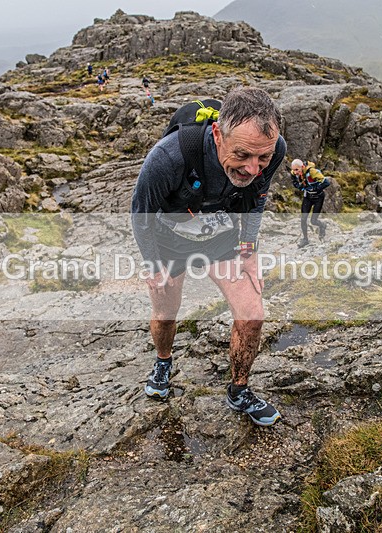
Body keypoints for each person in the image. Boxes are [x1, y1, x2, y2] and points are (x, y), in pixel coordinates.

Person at [131, 86, 286, 427]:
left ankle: (239, 390)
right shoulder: (169, 157)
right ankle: (163, 361)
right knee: (165, 311)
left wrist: (248, 250)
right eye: (242, 155)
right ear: (218, 133)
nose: (253, 168)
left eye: (262, 157)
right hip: (170, 240)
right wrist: (153, 264)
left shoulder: (273, 151)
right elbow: (141, 213)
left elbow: (256, 198)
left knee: (252, 313)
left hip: (224, 239)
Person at [291, 158, 330, 248]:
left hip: (318, 197)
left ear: (303, 167)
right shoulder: (294, 172)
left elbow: (326, 182)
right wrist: (299, 186)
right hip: (307, 197)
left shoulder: (312, 172)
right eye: (293, 170)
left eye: (297, 170)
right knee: (303, 219)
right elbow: (294, 180)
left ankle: (322, 226)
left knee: (313, 221)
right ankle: (305, 239)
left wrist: (315, 189)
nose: (295, 172)